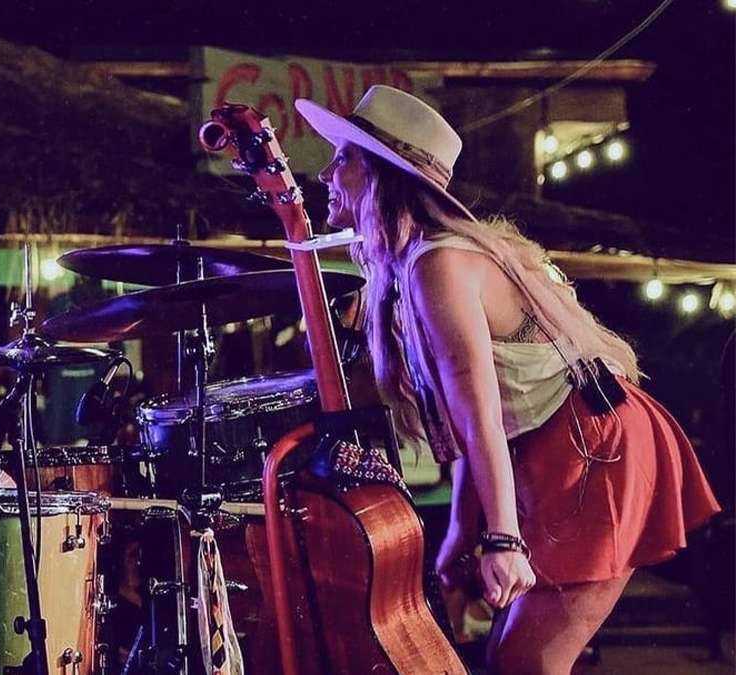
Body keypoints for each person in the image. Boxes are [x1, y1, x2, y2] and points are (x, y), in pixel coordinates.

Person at [295, 86, 720, 674]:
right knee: (509, 657)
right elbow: (475, 418)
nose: (327, 173)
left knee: (527, 662)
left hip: (593, 448)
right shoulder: (429, 260)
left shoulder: (438, 264)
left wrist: (500, 539)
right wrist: (462, 532)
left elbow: (482, 413)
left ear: (380, 174)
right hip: (566, 447)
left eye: (343, 157)